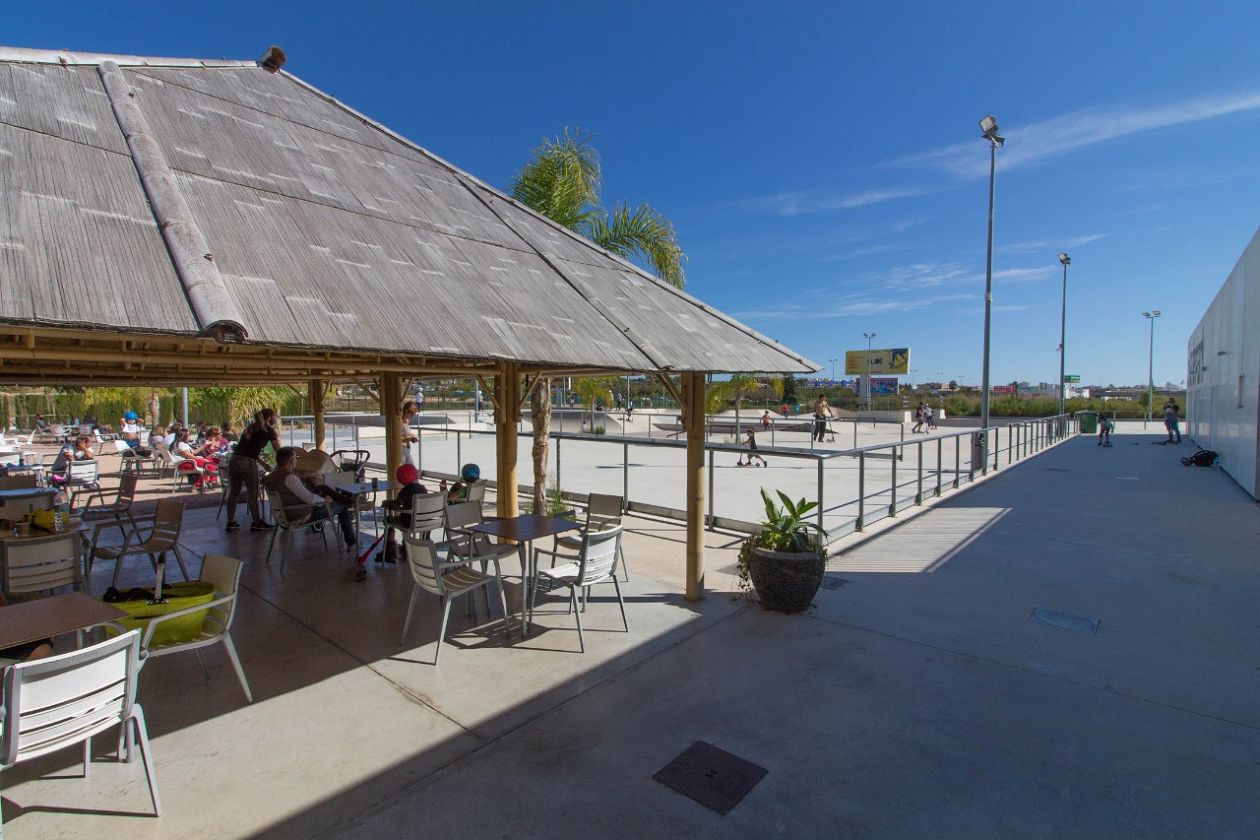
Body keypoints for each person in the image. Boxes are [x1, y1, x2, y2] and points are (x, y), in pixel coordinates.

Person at [262, 447, 357, 547]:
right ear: (290, 461)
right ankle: (351, 541)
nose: (297, 461)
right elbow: (311, 499)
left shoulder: (271, 477)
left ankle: (348, 501)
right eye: (296, 458)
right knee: (342, 507)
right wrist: (325, 501)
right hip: (301, 516)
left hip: (285, 513)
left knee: (322, 488)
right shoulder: (290, 478)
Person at [225, 408, 281, 533]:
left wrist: (264, 463)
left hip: (234, 461)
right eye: (275, 417)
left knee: (234, 493)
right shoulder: (269, 431)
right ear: (270, 418)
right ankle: (256, 522)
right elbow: (279, 451)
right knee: (253, 494)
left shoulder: (250, 428)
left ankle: (230, 522)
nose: (276, 419)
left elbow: (249, 449)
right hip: (248, 463)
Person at [380, 463, 431, 564]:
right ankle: (421, 548)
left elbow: (397, 505)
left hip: (409, 522)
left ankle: (390, 550)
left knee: (387, 520)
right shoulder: (423, 488)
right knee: (408, 517)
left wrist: (387, 503)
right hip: (424, 521)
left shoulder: (405, 491)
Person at [400, 400, 420, 466]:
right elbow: (395, 438)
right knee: (404, 471)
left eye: (413, 413)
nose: (411, 415)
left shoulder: (406, 421)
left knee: (411, 471)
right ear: (404, 410)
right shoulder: (399, 421)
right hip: (400, 450)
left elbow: (406, 433)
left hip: (406, 449)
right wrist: (409, 438)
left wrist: (412, 436)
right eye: (409, 412)